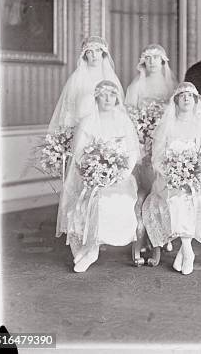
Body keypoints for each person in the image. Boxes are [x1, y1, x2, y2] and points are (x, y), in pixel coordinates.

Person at [55, 81, 140, 272]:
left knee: (109, 201)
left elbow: (132, 152)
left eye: (112, 94)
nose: (108, 99)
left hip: (120, 177)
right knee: (91, 199)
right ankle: (88, 247)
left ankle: (92, 251)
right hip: (90, 176)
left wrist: (119, 174)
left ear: (117, 97)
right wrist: (94, 173)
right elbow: (79, 154)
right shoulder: (88, 122)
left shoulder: (124, 121)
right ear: (96, 97)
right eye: (103, 95)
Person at [142, 83, 201, 275]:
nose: (186, 98)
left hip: (198, 179)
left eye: (190, 96)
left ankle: (184, 252)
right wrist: (174, 175)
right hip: (169, 180)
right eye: (182, 95)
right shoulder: (166, 126)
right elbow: (157, 158)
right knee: (177, 200)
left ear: (195, 101)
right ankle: (188, 250)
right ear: (176, 101)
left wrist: (198, 175)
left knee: (197, 201)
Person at [125, 44, 178, 263]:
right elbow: (128, 114)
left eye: (157, 58)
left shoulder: (171, 86)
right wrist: (140, 134)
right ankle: (143, 235)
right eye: (149, 58)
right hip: (142, 141)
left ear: (163, 61)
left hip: (163, 143)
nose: (153, 62)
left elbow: (176, 117)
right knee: (144, 189)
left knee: (162, 188)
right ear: (143, 62)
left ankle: (163, 231)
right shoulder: (136, 86)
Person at [49, 36, 123, 133]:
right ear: (84, 55)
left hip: (107, 128)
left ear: (103, 53)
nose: (94, 55)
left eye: (97, 50)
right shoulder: (76, 78)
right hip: (83, 128)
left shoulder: (110, 77)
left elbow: (118, 108)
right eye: (89, 52)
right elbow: (69, 110)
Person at [125, 44, 178, 108]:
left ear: (162, 60)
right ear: (144, 62)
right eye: (147, 58)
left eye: (155, 57)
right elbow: (131, 110)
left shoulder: (172, 85)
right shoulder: (137, 85)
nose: (151, 62)